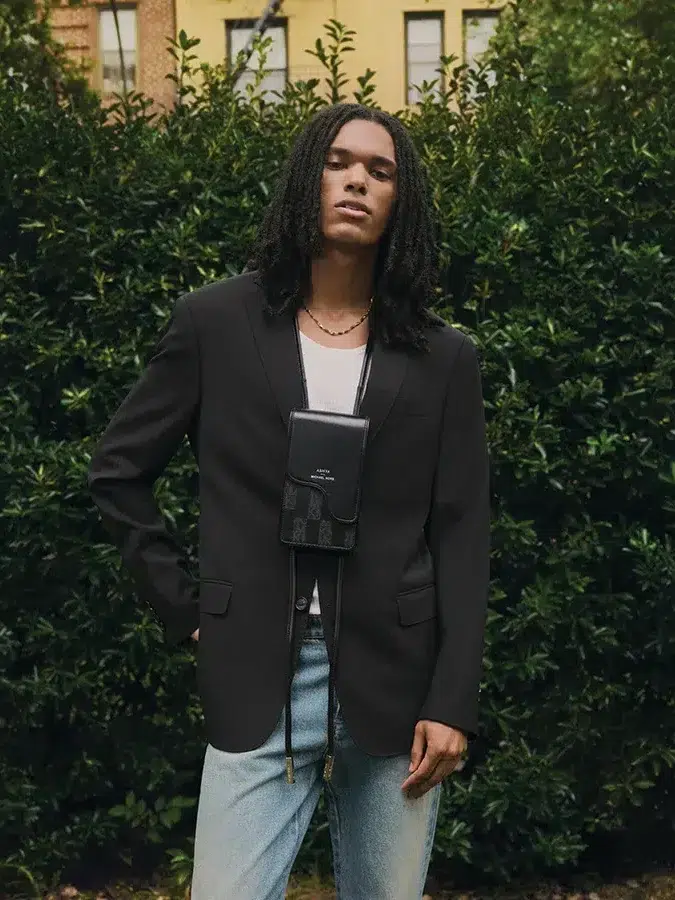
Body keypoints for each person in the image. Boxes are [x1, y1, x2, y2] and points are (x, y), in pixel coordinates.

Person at [88, 102, 490, 900]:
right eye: (339, 162)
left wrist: (453, 698)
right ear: (307, 179)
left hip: (394, 681)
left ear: (399, 204)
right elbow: (117, 470)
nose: (357, 181)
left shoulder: (443, 358)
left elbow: (462, 529)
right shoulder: (215, 322)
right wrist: (188, 604)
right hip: (257, 673)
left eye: (381, 172)